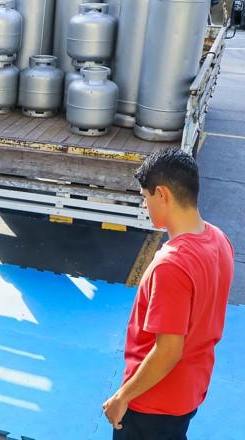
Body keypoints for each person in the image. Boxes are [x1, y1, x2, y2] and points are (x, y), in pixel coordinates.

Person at [103, 148, 234, 439]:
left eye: (145, 198)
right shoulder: (220, 239)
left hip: (152, 401)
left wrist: (122, 397)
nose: (145, 206)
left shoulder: (172, 265)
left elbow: (168, 351)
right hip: (189, 391)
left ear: (162, 194)